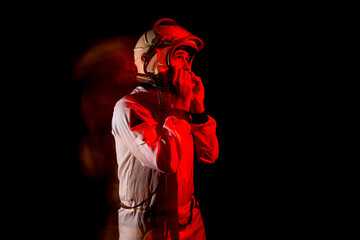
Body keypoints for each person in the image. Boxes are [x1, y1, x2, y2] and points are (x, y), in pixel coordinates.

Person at [111, 18, 219, 239]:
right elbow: (165, 161)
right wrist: (180, 108)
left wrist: (198, 111)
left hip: (190, 222)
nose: (187, 67)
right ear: (151, 59)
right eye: (180, 57)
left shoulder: (179, 105)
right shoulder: (129, 107)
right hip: (147, 227)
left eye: (188, 59)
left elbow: (210, 155)